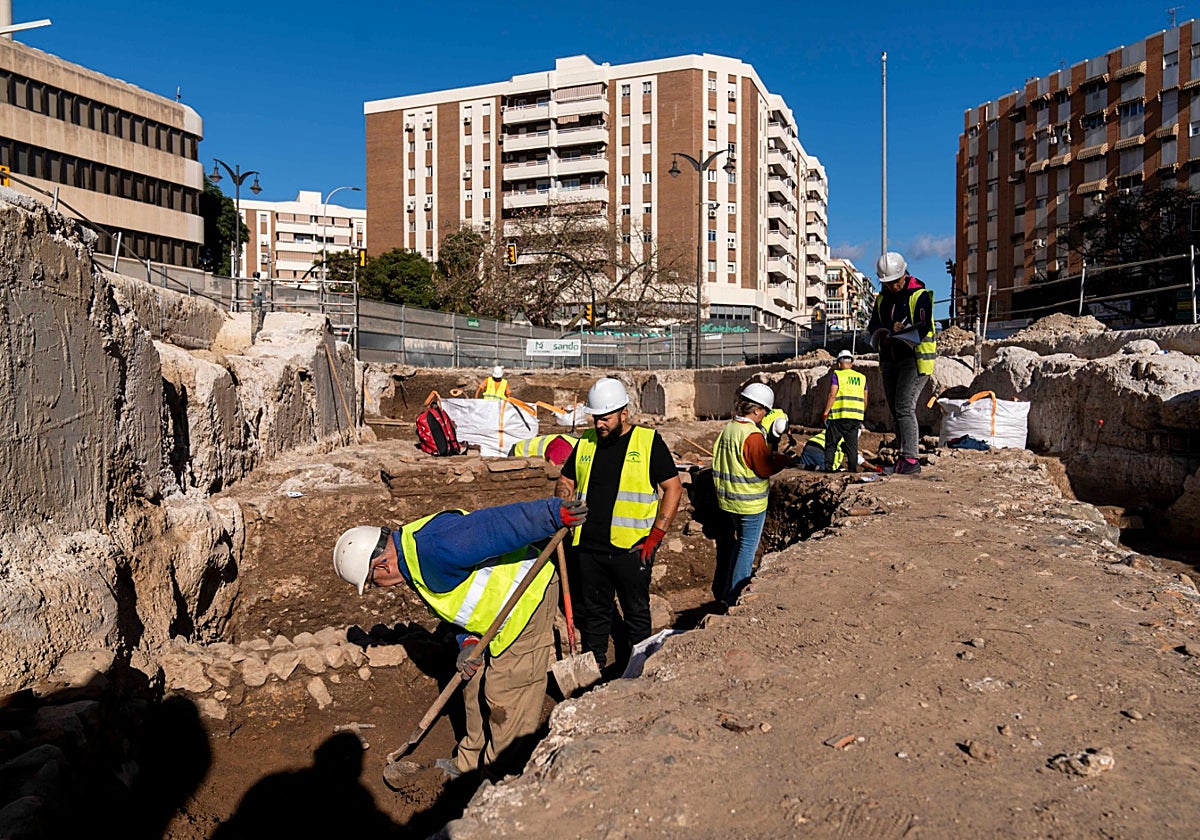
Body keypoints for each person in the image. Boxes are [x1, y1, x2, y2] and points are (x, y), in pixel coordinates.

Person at [331, 495, 588, 780]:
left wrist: (552, 514)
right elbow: (460, 603)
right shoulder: (412, 561)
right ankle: (468, 765)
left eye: (372, 584)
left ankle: (500, 776)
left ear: (381, 567)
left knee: (505, 691)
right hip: (493, 613)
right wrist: (466, 642)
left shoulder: (434, 546)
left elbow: (494, 526)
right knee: (472, 681)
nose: (379, 588)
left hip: (527, 598)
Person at [554, 377, 682, 673]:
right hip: (588, 549)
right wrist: (564, 501)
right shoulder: (586, 441)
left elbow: (673, 489)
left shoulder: (648, 442)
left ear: (624, 413)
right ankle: (595, 668)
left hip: (632, 549)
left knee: (636, 613)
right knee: (595, 613)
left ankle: (639, 668)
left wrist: (656, 536)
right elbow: (566, 479)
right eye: (596, 417)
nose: (599, 424)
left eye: (606, 418)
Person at [712, 382, 793, 606]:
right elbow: (764, 467)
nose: (765, 415)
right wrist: (783, 460)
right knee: (747, 550)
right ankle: (733, 597)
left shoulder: (729, 428)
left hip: (729, 501)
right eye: (764, 411)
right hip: (750, 504)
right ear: (756, 410)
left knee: (740, 545)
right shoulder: (752, 435)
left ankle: (725, 591)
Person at [866, 252, 935, 475]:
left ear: (904, 274)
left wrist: (902, 330)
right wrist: (886, 327)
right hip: (889, 359)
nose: (893, 286)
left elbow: (923, 326)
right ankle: (903, 455)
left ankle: (911, 459)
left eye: (896, 281)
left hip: (913, 360)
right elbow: (873, 325)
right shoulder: (881, 299)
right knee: (896, 410)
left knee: (905, 407)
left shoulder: (919, 295)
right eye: (887, 283)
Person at [821, 349, 867, 473]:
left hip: (839, 415)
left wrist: (826, 413)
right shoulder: (862, 378)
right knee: (852, 446)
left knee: (831, 443)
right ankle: (852, 470)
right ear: (851, 363)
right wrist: (861, 414)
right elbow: (865, 399)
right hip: (856, 417)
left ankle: (828, 469)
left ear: (840, 363)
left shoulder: (838, 374)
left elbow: (832, 394)